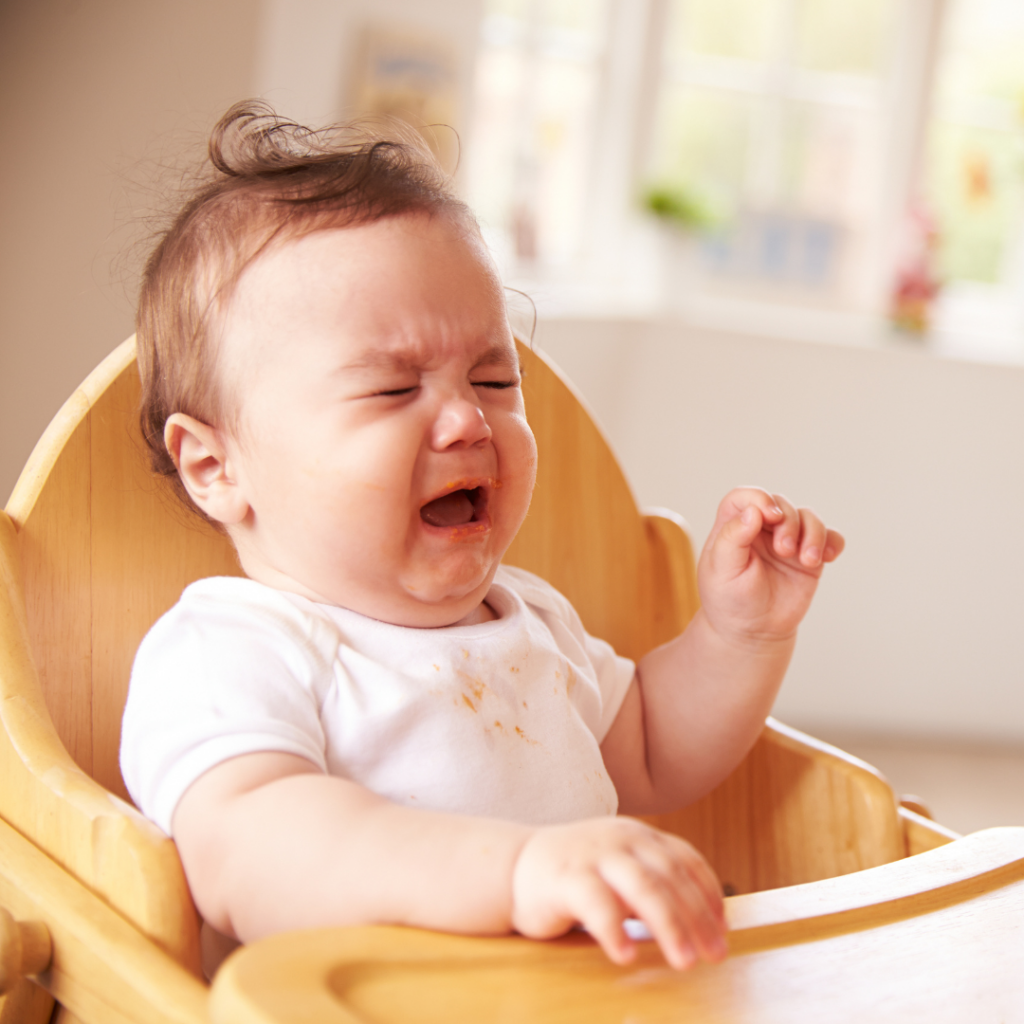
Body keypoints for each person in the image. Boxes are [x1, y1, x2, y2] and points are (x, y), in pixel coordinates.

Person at [120, 103, 844, 973]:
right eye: (393, 391)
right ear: (216, 468)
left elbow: (652, 752)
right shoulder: (235, 651)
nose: (468, 419)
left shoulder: (529, 618)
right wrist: (516, 870)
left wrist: (738, 636)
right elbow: (251, 850)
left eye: (495, 378)